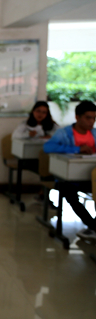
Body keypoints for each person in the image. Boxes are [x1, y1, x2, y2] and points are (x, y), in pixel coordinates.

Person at [43, 100, 96, 242]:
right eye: (88, 118)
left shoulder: (94, 133)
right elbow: (47, 147)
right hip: (68, 178)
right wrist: (77, 149)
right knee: (68, 192)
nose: (92, 122)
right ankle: (92, 225)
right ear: (77, 117)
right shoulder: (64, 133)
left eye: (94, 118)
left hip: (90, 178)